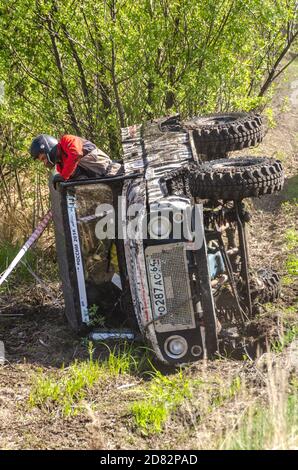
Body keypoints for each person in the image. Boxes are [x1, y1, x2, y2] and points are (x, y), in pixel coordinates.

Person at [30, 134, 123, 188]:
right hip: (99, 183)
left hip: (109, 169)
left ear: (47, 149)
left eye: (43, 158)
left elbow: (76, 154)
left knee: (115, 182)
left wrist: (64, 176)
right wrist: (62, 184)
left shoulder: (66, 140)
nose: (45, 162)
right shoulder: (60, 166)